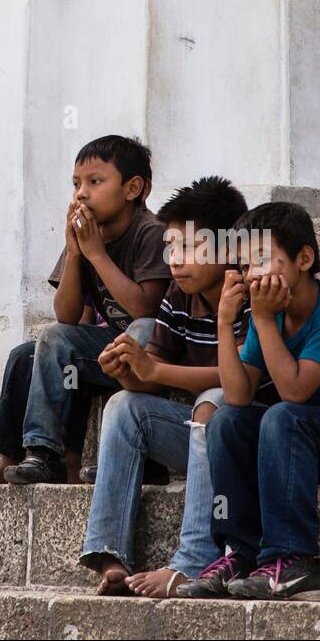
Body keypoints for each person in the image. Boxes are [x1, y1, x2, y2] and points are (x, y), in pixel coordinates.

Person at [79, 176, 260, 597]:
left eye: (192, 248)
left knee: (213, 402)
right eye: (173, 248)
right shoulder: (179, 294)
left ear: (229, 249)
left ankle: (193, 561)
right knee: (125, 404)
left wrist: (153, 371)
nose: (177, 261)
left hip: (247, 441)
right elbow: (150, 373)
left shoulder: (249, 294)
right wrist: (124, 369)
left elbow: (232, 378)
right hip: (200, 440)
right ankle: (110, 553)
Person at [0, 135, 170, 487]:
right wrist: (76, 254)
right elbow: (66, 316)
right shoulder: (87, 237)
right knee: (25, 355)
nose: (81, 193)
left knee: (117, 331)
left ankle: (59, 453)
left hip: (151, 352)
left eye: (95, 182)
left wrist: (96, 255)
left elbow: (145, 308)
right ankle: (26, 456)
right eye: (76, 184)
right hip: (108, 352)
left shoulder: (150, 233)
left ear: (133, 188)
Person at [179, 202, 320, 601]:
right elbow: (239, 394)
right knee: (226, 421)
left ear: (304, 259)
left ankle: (294, 558)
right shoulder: (270, 314)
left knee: (283, 416)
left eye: (261, 259)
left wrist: (259, 319)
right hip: (304, 443)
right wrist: (226, 322)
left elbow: (295, 391)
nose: (251, 274)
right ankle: (241, 552)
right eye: (244, 265)